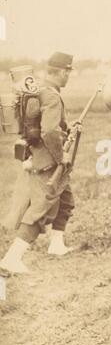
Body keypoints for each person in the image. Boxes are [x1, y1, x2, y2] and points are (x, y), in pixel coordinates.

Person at [0, 52, 75, 274]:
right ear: (61, 72)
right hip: (48, 162)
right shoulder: (51, 95)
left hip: (35, 155)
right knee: (41, 208)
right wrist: (62, 157)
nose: (68, 76)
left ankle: (56, 244)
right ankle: (12, 258)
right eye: (68, 72)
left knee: (66, 199)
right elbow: (50, 131)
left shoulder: (36, 90)